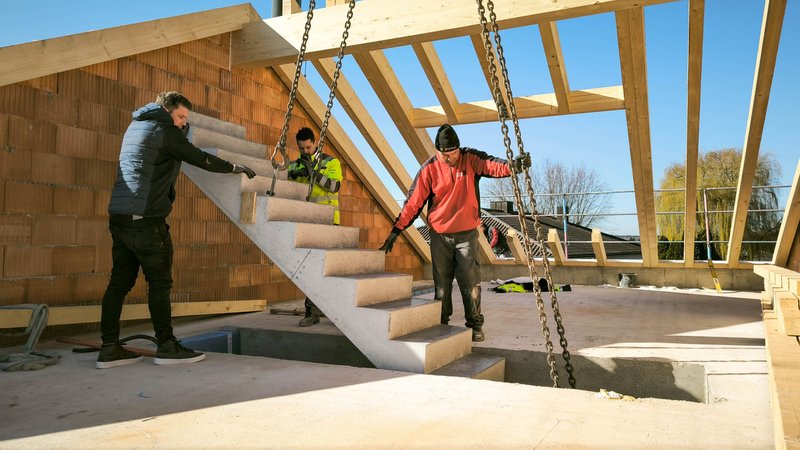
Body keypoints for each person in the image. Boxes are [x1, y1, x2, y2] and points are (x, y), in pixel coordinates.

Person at [97, 91, 256, 369]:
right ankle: (167, 346)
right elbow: (199, 158)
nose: (183, 122)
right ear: (167, 110)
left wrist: (181, 129)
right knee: (159, 284)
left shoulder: (136, 126)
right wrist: (234, 167)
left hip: (120, 216)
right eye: (181, 117)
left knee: (118, 283)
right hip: (147, 219)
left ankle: (109, 348)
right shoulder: (165, 132)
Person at [379, 124, 529, 342]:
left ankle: (475, 326)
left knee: (470, 283)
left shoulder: (470, 158)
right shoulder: (428, 169)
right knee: (442, 284)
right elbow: (413, 203)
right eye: (444, 154)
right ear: (437, 151)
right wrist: (396, 231)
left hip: (466, 234)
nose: (449, 158)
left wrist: (513, 166)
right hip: (440, 236)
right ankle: (442, 323)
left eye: (453, 154)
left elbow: (492, 165)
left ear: (458, 149)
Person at [287, 127, 342, 327]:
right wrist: (301, 170)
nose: (306, 151)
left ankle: (336, 310)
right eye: (302, 149)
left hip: (328, 222)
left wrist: (315, 174)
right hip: (306, 222)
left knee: (329, 270)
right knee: (310, 270)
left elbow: (335, 186)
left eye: (309, 147)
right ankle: (312, 312)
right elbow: (288, 182)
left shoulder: (331, 162)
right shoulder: (295, 165)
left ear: (315, 143)